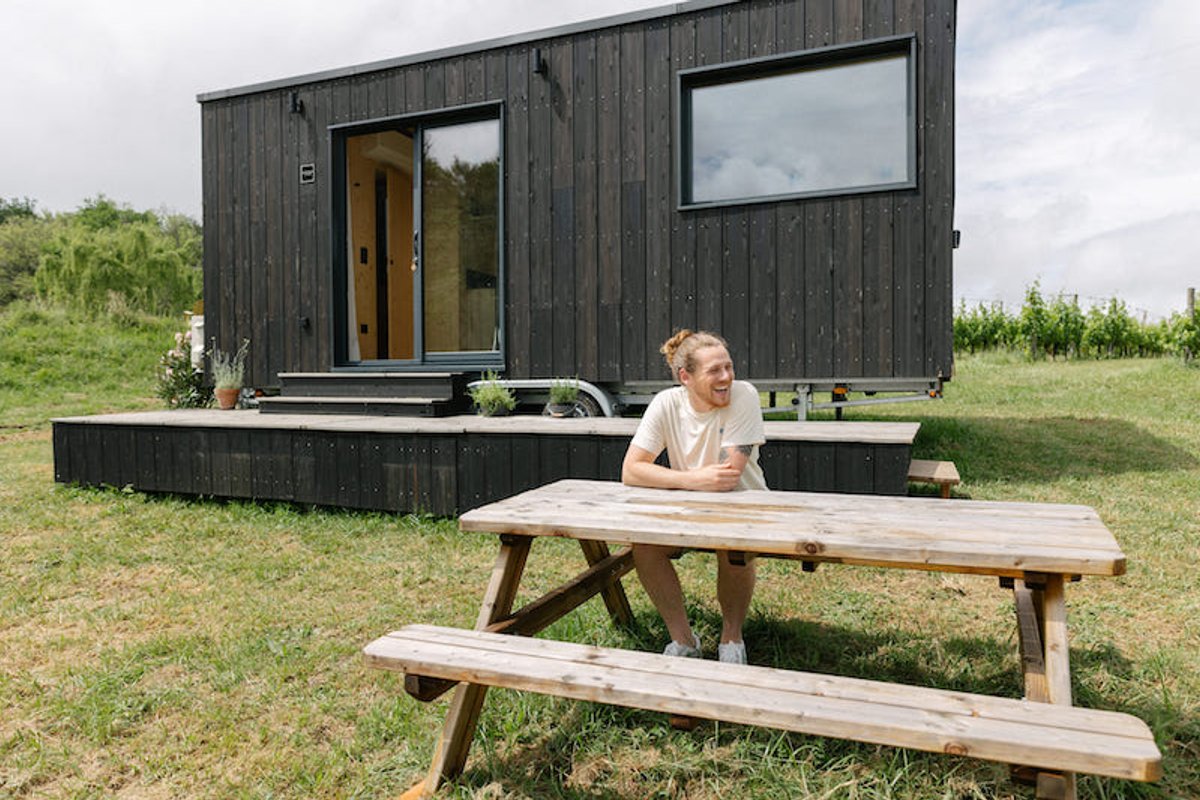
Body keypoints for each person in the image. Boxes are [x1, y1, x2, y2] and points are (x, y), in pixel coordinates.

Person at [621, 329, 767, 665]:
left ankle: (732, 638)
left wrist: (675, 480)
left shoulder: (744, 395)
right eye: (715, 371)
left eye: (729, 367)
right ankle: (683, 639)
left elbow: (729, 476)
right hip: (687, 505)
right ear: (685, 377)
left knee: (733, 546)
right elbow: (631, 470)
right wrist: (692, 479)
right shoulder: (666, 403)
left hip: (744, 505)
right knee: (644, 545)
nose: (726, 377)